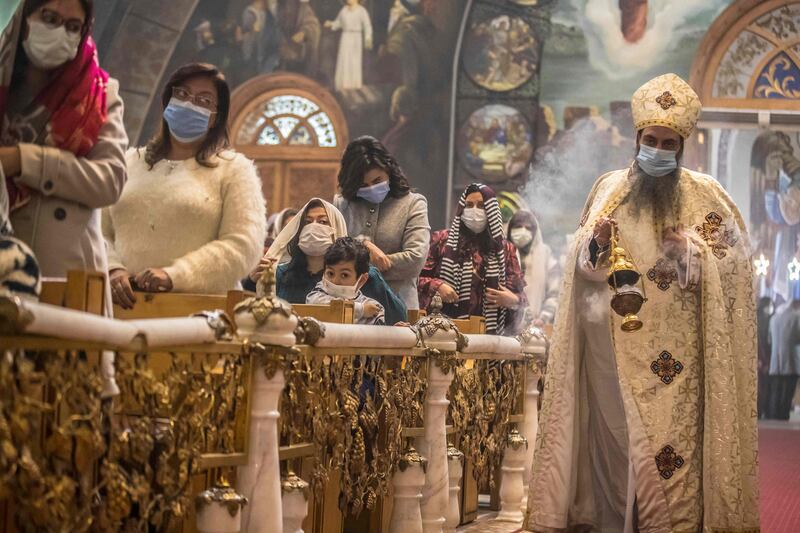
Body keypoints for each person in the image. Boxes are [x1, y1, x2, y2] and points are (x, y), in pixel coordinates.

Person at [524, 74, 758, 532]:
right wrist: (596, 244)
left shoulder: (707, 196)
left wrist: (693, 255)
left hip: (681, 366)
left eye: (667, 143)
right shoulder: (609, 189)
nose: (657, 149)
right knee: (618, 455)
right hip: (616, 356)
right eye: (650, 139)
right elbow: (581, 270)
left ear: (681, 145)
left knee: (672, 457)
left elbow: (736, 272)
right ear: (636, 138)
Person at [102, 63, 266, 308]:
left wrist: (175, 275)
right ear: (168, 101)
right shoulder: (129, 162)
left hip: (200, 312)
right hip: (125, 306)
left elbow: (244, 246)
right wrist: (113, 269)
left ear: (215, 118)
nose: (190, 104)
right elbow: (98, 230)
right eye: (182, 94)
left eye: (204, 100)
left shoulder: (233, 170)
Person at [0, 0, 126, 286]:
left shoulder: (99, 95)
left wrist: (24, 160)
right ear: (25, 18)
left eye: (72, 27)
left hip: (67, 272)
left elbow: (110, 180)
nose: (59, 32)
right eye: (49, 17)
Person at [265, 197, 407, 324]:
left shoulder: (366, 276)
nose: (313, 227)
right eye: (307, 222)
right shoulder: (280, 273)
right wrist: (252, 281)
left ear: (336, 227)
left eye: (323, 221)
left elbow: (398, 317)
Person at [334, 136, 430, 311]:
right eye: (363, 185)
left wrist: (354, 266)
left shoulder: (412, 204)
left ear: (389, 171)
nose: (371, 187)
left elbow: (415, 260)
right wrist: (364, 246)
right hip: (349, 307)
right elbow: (332, 253)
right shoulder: (342, 204)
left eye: (377, 181)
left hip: (398, 307)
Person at [418, 183, 527, 335]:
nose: (474, 211)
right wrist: (437, 286)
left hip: (489, 337)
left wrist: (512, 300)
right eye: (469, 205)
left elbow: (522, 298)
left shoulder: (505, 250)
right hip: (443, 333)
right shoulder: (441, 240)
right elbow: (417, 278)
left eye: (481, 205)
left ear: (491, 210)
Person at [307, 237, 384, 325]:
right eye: (330, 273)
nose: (335, 281)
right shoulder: (316, 295)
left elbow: (378, 337)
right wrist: (360, 309)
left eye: (344, 275)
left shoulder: (373, 308)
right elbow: (322, 306)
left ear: (362, 279)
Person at [507, 209, 559, 325]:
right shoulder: (502, 254)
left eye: (528, 228)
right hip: (505, 325)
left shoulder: (545, 255)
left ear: (535, 231)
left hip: (537, 327)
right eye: (518, 226)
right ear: (510, 229)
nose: (523, 231)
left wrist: (543, 317)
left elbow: (555, 293)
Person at [767, 283, 800, 420]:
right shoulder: (796, 317)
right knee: (788, 390)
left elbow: (769, 340)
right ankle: (784, 414)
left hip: (775, 361)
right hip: (790, 360)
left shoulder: (774, 317)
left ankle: (773, 414)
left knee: (775, 389)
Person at [324, 0, 373, 91]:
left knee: (354, 62)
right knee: (344, 60)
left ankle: (353, 87)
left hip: (356, 39)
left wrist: (368, 38)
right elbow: (338, 23)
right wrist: (331, 24)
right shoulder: (344, 10)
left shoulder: (362, 11)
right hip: (345, 38)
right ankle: (342, 87)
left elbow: (367, 26)